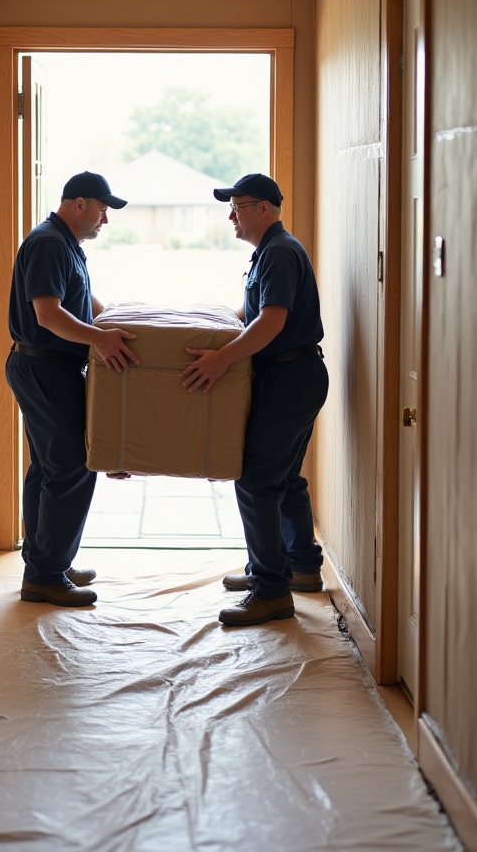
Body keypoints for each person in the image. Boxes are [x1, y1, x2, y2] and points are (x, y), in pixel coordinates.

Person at [181, 173, 329, 626]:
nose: (231, 216)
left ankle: (271, 590)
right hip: (293, 375)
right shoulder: (270, 252)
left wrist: (220, 359)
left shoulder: (279, 252)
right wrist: (204, 325)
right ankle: (300, 565)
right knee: (283, 479)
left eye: (237, 207)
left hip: (290, 377)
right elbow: (248, 315)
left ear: (263, 208)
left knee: (256, 481)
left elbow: (271, 322)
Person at [6, 171, 139, 607]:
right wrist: (100, 339)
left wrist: (131, 322)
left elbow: (88, 306)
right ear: (79, 204)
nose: (105, 220)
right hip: (44, 366)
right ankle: (45, 575)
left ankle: (47, 562)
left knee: (48, 469)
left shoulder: (66, 245)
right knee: (71, 467)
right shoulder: (49, 244)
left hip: (49, 367)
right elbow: (48, 315)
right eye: (102, 210)